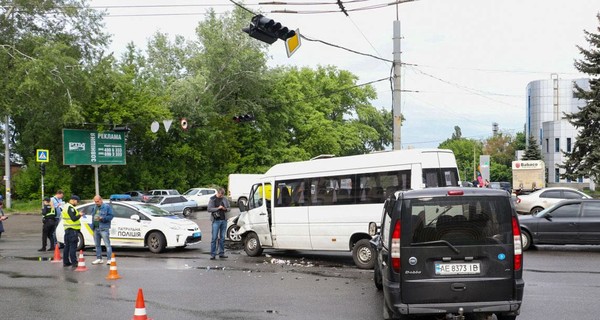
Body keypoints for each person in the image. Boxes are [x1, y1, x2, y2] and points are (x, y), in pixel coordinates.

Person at [207, 188, 230, 260]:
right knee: (214, 238)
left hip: (224, 220)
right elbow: (209, 209)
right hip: (216, 221)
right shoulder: (212, 199)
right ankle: (213, 254)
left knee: (222, 238)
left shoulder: (225, 199)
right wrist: (218, 208)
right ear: (218, 193)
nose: (221, 196)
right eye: (220, 195)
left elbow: (229, 208)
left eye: (222, 195)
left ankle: (221, 253)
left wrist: (224, 209)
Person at [90, 195, 114, 265]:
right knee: (97, 245)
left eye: (97, 201)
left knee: (107, 245)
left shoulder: (106, 207)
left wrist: (102, 218)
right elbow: (93, 217)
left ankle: (109, 259)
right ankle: (99, 258)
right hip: (96, 228)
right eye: (95, 201)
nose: (96, 203)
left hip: (104, 228)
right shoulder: (94, 207)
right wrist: (93, 226)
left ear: (101, 200)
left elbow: (111, 216)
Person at [62, 195, 83, 268]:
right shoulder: (70, 208)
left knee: (67, 247)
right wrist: (79, 215)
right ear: (73, 200)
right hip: (72, 230)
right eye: (77, 201)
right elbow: (73, 218)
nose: (77, 203)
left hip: (67, 229)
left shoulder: (66, 206)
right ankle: (74, 262)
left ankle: (66, 262)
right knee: (73, 247)